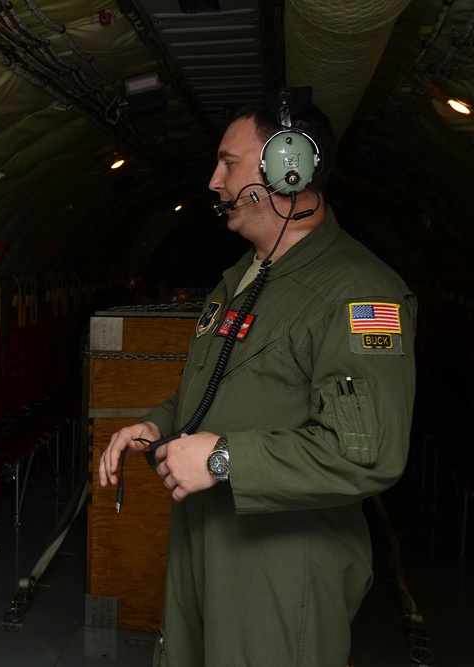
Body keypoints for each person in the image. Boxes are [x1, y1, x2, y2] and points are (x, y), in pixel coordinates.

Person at [98, 94, 416, 666]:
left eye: (228, 163)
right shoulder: (241, 278)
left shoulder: (360, 293)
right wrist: (155, 425)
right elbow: (215, 395)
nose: (214, 182)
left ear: (287, 163)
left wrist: (223, 461)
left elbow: (367, 453)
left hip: (280, 573)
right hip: (205, 549)